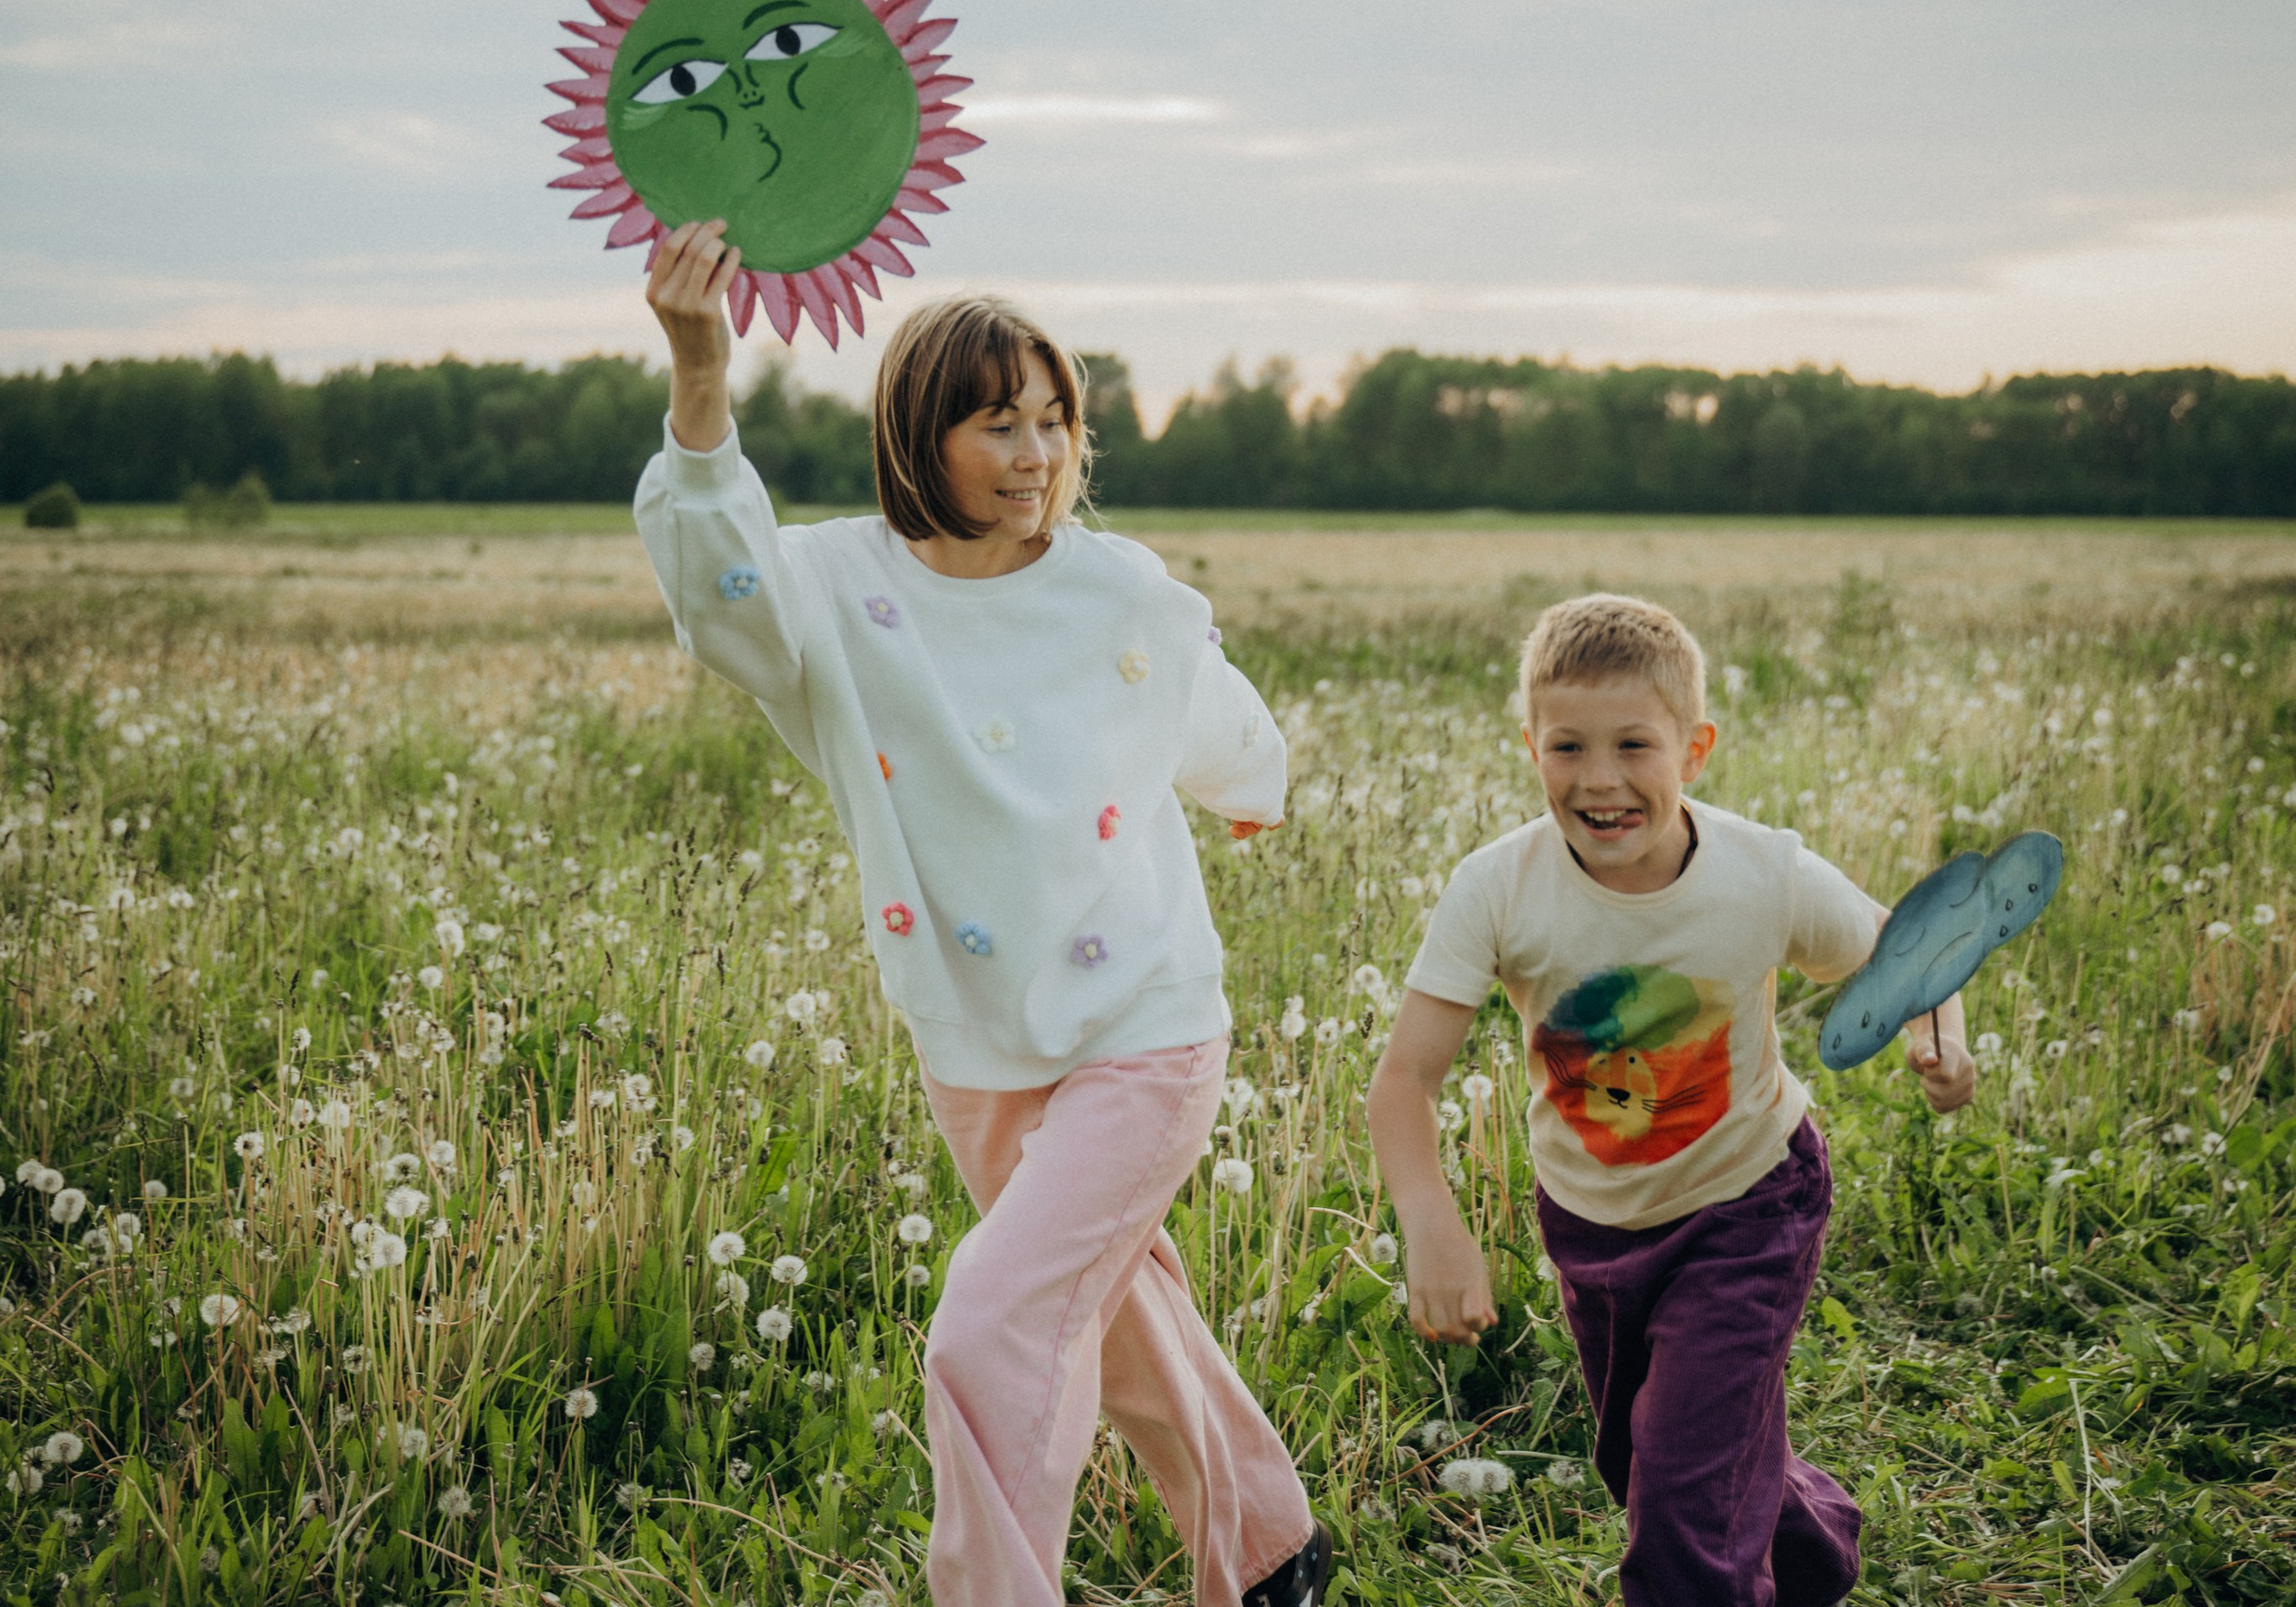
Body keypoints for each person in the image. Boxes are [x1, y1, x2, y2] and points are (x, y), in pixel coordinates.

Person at [634, 219, 1332, 1607]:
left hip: (1144, 1027)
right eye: (998, 423)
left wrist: (1256, 788)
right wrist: (701, 367)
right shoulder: (835, 591)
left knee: (990, 1329)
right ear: (917, 437)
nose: (1038, 454)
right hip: (973, 1037)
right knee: (1118, 1317)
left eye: (1056, 421)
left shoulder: (1118, 587)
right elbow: (718, 595)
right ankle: (1268, 1553)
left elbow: (1207, 708)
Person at [1367, 593, 1976, 1607]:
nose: (1598, 780)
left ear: (1694, 749)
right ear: (1529, 747)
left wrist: (1940, 1040)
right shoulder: (1496, 888)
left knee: (1682, 1494)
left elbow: (1915, 950)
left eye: (1632, 745)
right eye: (1566, 746)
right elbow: (1404, 1079)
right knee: (1648, 1463)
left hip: (1749, 1207)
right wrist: (1430, 1220)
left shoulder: (1762, 874)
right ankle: (1812, 1554)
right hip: (1591, 1226)